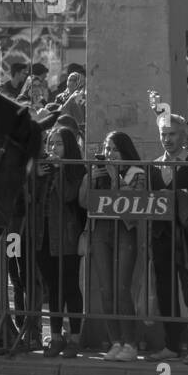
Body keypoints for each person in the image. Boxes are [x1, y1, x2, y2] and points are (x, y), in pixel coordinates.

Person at [79, 131, 147, 361]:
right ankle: (115, 341)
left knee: (121, 289)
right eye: (107, 149)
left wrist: (116, 178)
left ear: (125, 151)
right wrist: (90, 178)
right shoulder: (99, 172)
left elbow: (135, 204)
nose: (109, 154)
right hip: (101, 231)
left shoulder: (137, 173)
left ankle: (130, 343)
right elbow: (83, 201)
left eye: (114, 149)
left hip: (125, 232)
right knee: (106, 290)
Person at [149, 114, 188, 363]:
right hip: (161, 237)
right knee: (164, 289)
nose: (167, 139)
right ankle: (171, 344)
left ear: (182, 136)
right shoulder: (154, 165)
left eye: (172, 134)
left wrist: (182, 199)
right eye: (163, 134)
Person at [31, 127, 85, 358]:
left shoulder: (76, 170)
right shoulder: (43, 168)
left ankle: (75, 337)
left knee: (70, 287)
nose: (53, 149)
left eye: (59, 144)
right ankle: (55, 336)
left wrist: (59, 170)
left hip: (67, 236)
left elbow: (67, 195)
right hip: (43, 236)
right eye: (51, 144)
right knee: (52, 288)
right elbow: (29, 198)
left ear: (69, 147)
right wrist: (36, 177)